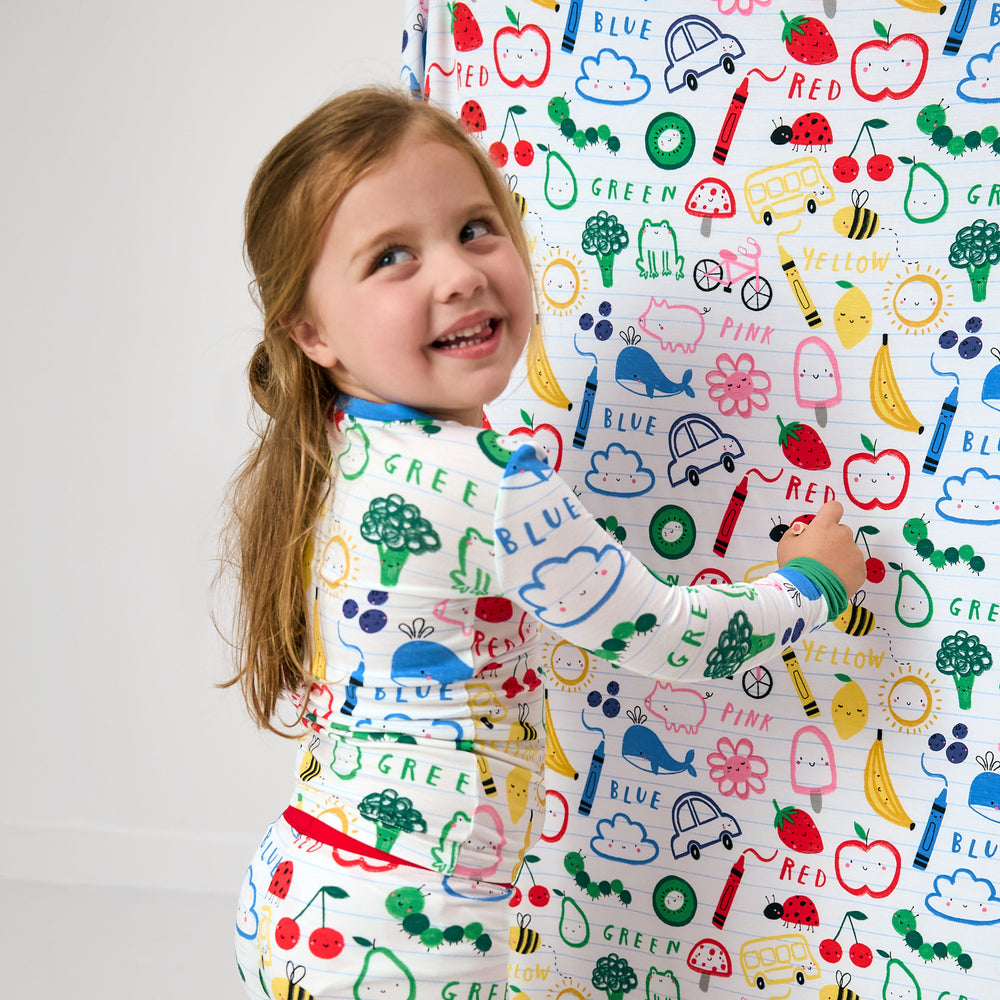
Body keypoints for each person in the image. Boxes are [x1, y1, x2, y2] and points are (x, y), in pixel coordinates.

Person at [225, 85, 866, 1000]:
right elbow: (666, 634)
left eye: (476, 228)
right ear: (311, 330)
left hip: (296, 891)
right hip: (415, 932)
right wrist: (810, 583)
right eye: (392, 257)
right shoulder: (495, 486)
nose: (456, 274)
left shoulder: (334, 442)